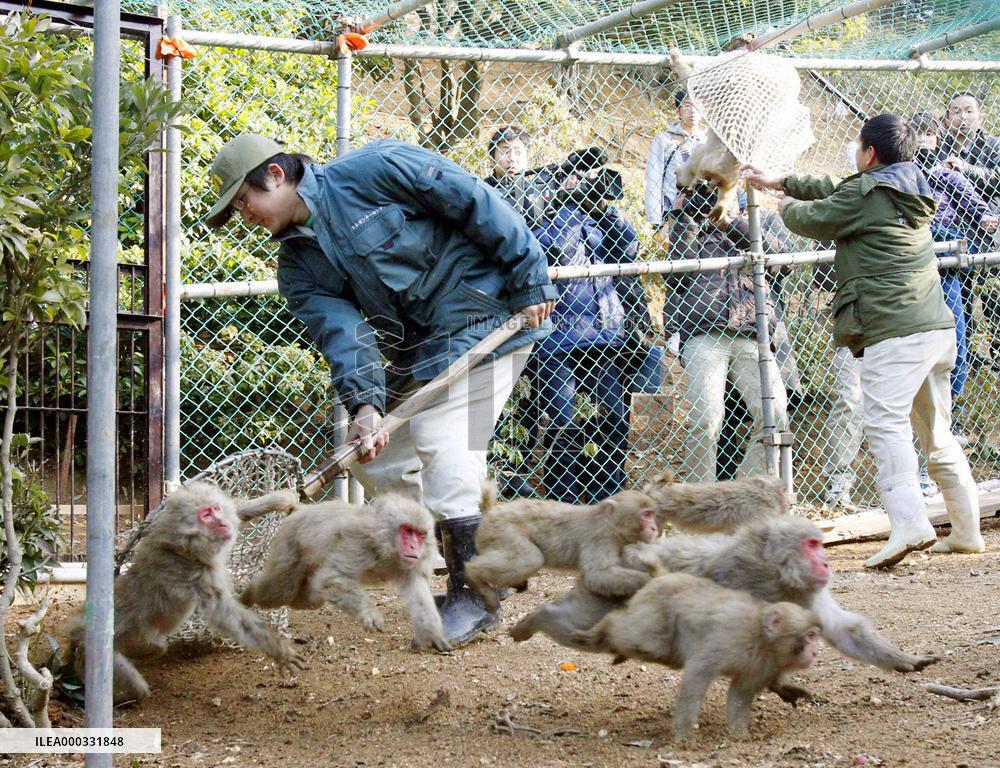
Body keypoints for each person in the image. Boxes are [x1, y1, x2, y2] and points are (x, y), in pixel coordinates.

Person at [204, 134, 558, 645]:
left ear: (276, 175)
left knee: (446, 436)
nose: (244, 216)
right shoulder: (299, 268)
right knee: (377, 459)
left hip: (492, 317)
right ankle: (464, 562)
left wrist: (530, 275)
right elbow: (346, 337)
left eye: (244, 200)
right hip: (423, 349)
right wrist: (366, 408)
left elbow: (474, 199)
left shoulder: (374, 169)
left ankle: (476, 596)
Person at [745, 113, 986, 569]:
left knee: (886, 425)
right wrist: (782, 179)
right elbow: (839, 184)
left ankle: (910, 523)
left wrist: (779, 202)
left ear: (869, 152)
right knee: (936, 433)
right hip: (935, 326)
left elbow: (812, 218)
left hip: (894, 330)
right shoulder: (910, 183)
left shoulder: (864, 192)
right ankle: (967, 531)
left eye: (858, 145)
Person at [663, 183, 790, 483]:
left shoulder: (762, 218)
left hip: (751, 331)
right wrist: (689, 216)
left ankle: (743, 494)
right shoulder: (691, 219)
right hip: (704, 332)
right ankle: (701, 503)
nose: (717, 190)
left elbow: (778, 260)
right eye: (711, 185)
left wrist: (731, 222)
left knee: (775, 415)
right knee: (705, 420)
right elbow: (680, 273)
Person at [531, 167, 636, 504]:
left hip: (603, 332)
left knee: (615, 417)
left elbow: (628, 248)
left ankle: (607, 493)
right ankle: (564, 499)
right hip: (559, 336)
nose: (583, 184)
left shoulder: (599, 217)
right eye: (577, 177)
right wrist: (566, 204)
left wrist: (603, 208)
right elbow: (554, 250)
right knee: (564, 421)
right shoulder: (543, 215)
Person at [644, 88, 706, 239]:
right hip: (676, 211)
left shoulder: (707, 140)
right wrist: (655, 219)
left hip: (705, 210)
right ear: (679, 111)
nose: (692, 111)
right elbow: (654, 179)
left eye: (696, 106)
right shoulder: (664, 140)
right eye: (687, 106)